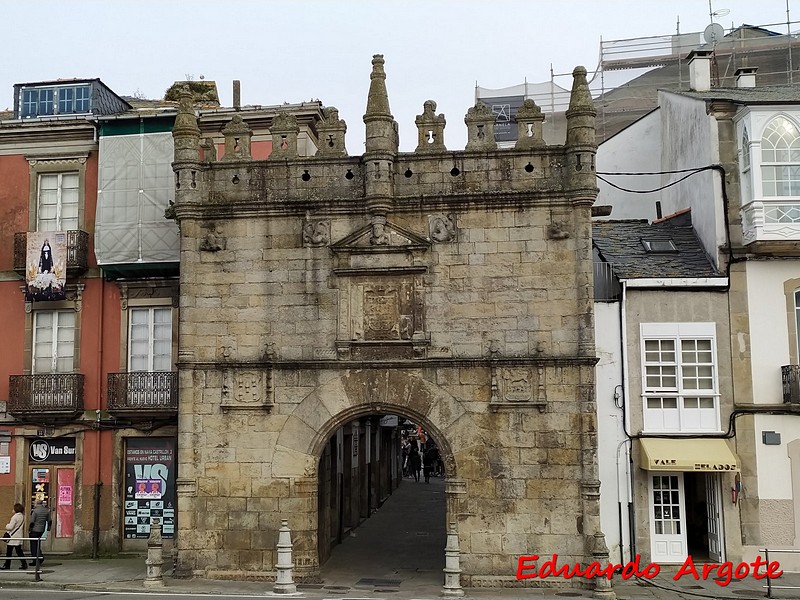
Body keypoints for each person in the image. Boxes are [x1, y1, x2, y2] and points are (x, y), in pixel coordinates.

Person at [1, 503, 27, 570]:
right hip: (18, 535)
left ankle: (7, 565)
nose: (12, 510)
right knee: (19, 551)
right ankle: (24, 563)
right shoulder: (22, 516)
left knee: (9, 552)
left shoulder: (15, 517)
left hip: (12, 536)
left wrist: (7, 525)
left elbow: (10, 527)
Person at [29, 499, 50, 566]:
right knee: (38, 544)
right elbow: (49, 520)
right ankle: (40, 556)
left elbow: (32, 521)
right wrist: (48, 528)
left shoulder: (35, 511)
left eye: (34, 503)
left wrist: (30, 529)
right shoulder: (46, 510)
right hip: (42, 530)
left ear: (37, 503)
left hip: (35, 529)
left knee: (33, 545)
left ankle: (35, 560)